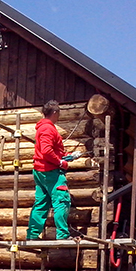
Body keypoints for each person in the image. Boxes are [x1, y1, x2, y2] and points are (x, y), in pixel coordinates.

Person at [27, 100, 80, 240]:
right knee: (62, 200)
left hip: (41, 171)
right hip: (51, 172)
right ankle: (62, 234)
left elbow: (47, 151)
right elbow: (46, 151)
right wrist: (60, 162)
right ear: (55, 112)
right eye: (59, 114)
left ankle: (32, 235)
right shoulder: (48, 129)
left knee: (41, 203)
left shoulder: (42, 128)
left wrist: (66, 157)